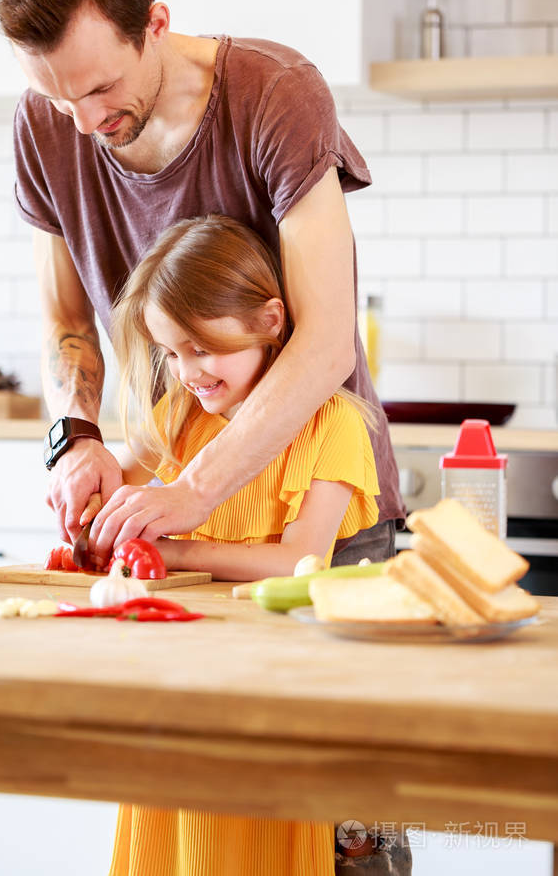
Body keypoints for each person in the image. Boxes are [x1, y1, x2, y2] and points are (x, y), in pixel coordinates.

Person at [0, 0, 405, 563]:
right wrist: (76, 439)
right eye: (60, 99)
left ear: (155, 24)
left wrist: (194, 489)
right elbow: (66, 318)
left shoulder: (274, 93)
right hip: (190, 524)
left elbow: (327, 345)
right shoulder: (41, 128)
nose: (85, 122)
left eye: (102, 88)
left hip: (318, 522)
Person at [101, 213, 379, 874]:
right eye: (170, 351)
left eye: (200, 347)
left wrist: (179, 552)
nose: (186, 370)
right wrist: (95, 501)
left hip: (278, 695)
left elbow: (299, 561)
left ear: (269, 319)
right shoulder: (178, 418)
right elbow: (118, 498)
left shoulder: (333, 424)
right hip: (178, 692)